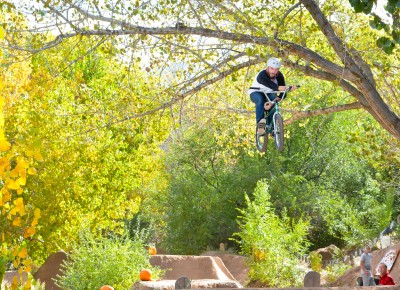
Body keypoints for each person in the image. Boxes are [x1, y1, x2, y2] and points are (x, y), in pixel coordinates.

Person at [248, 57, 298, 134]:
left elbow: (282, 93)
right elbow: (275, 87)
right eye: (272, 69)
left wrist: (273, 102)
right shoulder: (262, 75)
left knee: (274, 104)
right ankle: (260, 124)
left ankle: (273, 128)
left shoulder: (279, 76)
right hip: (256, 92)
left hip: (269, 93)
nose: (274, 72)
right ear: (267, 67)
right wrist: (289, 87)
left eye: (276, 69)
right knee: (260, 99)